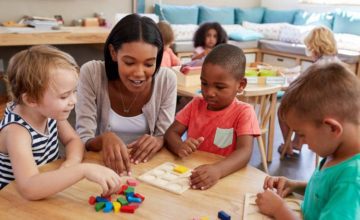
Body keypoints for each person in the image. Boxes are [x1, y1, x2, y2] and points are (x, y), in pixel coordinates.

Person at [0, 45, 121, 199]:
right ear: (31, 99)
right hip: (11, 202)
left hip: (45, 190)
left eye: (74, 91)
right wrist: (82, 170)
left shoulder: (49, 112)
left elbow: (73, 140)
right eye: (64, 96)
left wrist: (72, 162)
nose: (74, 101)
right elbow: (29, 188)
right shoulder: (16, 132)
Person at [76, 14, 177, 176]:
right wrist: (104, 139)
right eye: (129, 62)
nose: (139, 73)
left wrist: (160, 139)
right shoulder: (92, 73)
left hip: (146, 170)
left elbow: (164, 134)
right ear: (113, 53)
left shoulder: (166, 79)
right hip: (100, 169)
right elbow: (82, 139)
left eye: (149, 64)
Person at [256, 63, 360, 220]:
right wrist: (295, 185)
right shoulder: (338, 150)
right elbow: (327, 192)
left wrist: (279, 210)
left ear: (332, 128)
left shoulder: (352, 181)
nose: (302, 143)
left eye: (301, 134)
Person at [165, 44, 260, 190]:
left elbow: (244, 152)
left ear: (241, 85)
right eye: (204, 83)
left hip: (225, 178)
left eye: (220, 87)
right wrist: (179, 146)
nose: (209, 92)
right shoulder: (196, 104)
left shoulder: (244, 112)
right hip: (192, 174)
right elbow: (171, 133)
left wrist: (218, 170)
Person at [278, 26, 341, 157]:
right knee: (300, 105)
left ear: (315, 47)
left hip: (316, 111)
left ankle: (288, 145)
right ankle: (297, 143)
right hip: (333, 110)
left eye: (309, 47)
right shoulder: (336, 63)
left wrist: (287, 77)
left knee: (283, 111)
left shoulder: (318, 67)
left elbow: (299, 85)